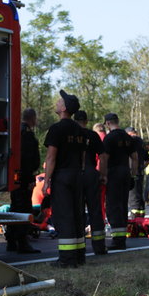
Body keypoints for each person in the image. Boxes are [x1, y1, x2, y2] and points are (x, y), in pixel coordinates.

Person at [43, 90, 86, 267]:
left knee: (64, 215)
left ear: (64, 108)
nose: (57, 102)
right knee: (77, 214)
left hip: (63, 176)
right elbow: (83, 157)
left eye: (60, 101)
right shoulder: (80, 130)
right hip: (77, 175)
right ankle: (79, 257)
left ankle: (67, 260)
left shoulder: (56, 129)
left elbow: (51, 157)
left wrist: (46, 180)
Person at [5, 108, 41, 253]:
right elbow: (27, 159)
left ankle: (11, 240)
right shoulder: (26, 134)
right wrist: (30, 179)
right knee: (23, 209)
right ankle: (22, 241)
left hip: (15, 177)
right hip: (24, 178)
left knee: (14, 207)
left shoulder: (16, 131)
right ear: (33, 119)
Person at [74, 110, 107, 255]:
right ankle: (99, 246)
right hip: (91, 173)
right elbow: (103, 156)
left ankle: (79, 246)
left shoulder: (71, 135)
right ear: (86, 122)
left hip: (75, 174)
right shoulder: (92, 135)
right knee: (95, 210)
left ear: (75, 121)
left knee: (78, 210)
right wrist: (102, 174)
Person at [103, 113, 136, 250]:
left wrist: (103, 175)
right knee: (123, 205)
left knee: (113, 206)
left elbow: (104, 158)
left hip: (113, 173)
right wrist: (133, 175)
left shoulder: (109, 138)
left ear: (108, 123)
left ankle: (117, 240)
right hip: (125, 172)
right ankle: (121, 239)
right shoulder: (128, 138)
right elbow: (135, 158)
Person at [126, 127, 149, 217]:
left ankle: (134, 218)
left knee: (133, 197)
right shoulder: (141, 143)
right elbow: (148, 159)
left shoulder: (132, 141)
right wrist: (142, 167)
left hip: (133, 173)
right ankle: (141, 218)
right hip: (140, 172)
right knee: (139, 196)